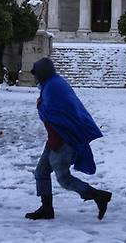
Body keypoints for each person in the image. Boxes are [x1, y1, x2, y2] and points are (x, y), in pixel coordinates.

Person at [25, 58, 112, 220]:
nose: (34, 77)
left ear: (42, 73)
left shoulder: (53, 87)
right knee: (41, 171)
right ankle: (46, 209)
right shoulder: (52, 84)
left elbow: (52, 113)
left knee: (63, 178)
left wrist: (39, 105)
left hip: (63, 138)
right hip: (55, 137)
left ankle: (98, 196)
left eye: (36, 74)